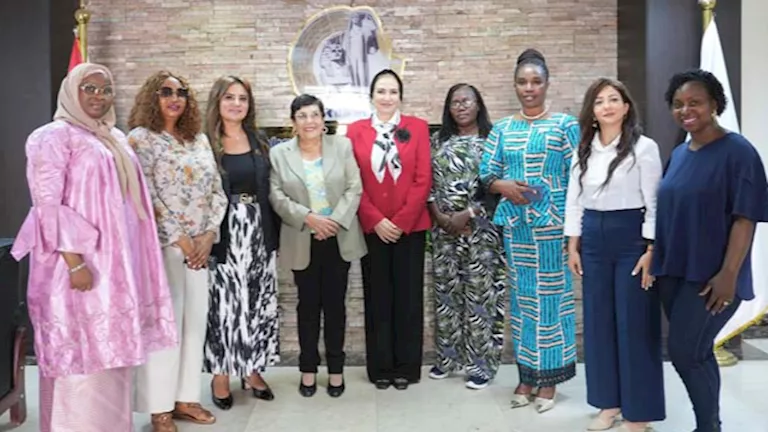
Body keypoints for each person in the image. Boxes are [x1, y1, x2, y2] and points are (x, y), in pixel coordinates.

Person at [10, 63, 177, 432]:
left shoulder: (112, 136)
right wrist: (74, 263)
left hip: (114, 269)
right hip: (75, 270)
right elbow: (48, 208)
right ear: (72, 90)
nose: (99, 96)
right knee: (80, 358)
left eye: (106, 89)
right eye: (89, 88)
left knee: (112, 356)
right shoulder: (52, 137)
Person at [653, 69, 768, 432]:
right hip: (674, 272)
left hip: (712, 277)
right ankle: (709, 425)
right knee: (698, 352)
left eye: (695, 102)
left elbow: (745, 218)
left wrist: (729, 274)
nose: (685, 110)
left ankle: (708, 427)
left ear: (715, 104)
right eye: (678, 104)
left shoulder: (739, 152)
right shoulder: (679, 154)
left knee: (685, 352)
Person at [479, 49, 579, 413]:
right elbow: (486, 173)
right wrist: (502, 186)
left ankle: (549, 379)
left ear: (547, 84)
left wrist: (575, 235)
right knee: (522, 302)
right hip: (517, 229)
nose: (529, 88)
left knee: (552, 300)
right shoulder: (503, 129)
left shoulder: (565, 125)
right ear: (515, 85)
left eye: (536, 81)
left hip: (553, 228)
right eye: (522, 82)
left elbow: (578, 178)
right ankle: (526, 375)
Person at [129, 71, 228, 432]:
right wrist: (181, 239)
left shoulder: (198, 139)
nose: (175, 98)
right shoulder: (140, 139)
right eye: (166, 92)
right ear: (151, 97)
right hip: (165, 248)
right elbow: (144, 195)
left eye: (181, 92)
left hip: (200, 250)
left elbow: (217, 191)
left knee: (195, 324)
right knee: (165, 328)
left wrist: (208, 235)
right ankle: (159, 408)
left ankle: (186, 398)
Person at [564, 78, 664, 432]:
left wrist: (652, 248)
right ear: (592, 112)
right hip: (592, 238)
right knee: (599, 323)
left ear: (626, 107)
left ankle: (639, 414)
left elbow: (655, 202)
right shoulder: (583, 149)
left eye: (613, 100)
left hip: (631, 239)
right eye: (599, 101)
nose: (606, 106)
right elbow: (574, 199)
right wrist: (573, 244)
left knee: (634, 324)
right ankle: (609, 403)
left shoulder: (644, 148)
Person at [269, 94, 367, 397]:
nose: (309, 121)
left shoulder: (342, 146)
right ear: (293, 122)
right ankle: (308, 369)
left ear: (323, 119)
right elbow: (276, 195)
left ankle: (336, 370)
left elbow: (354, 187)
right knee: (308, 308)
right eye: (302, 116)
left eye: (314, 115)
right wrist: (309, 218)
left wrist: (333, 222)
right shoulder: (279, 154)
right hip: (302, 238)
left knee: (336, 307)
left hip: (337, 238)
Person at [347, 69, 432, 390]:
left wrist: (401, 221)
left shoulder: (417, 127)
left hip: (411, 228)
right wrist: (375, 219)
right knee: (378, 298)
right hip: (373, 229)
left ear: (400, 96)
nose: (387, 97)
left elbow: (423, 179)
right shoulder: (355, 131)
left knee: (409, 299)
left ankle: (407, 368)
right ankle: (380, 367)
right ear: (371, 96)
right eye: (381, 91)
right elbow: (352, 180)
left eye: (393, 92)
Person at [203, 76, 280, 410]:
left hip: (259, 229)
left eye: (243, 98)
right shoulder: (205, 142)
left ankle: (252, 369)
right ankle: (220, 374)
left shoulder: (259, 140)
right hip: (223, 233)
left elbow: (271, 188)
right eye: (229, 97)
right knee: (225, 305)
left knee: (257, 301)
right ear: (217, 102)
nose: (236, 104)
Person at [427, 83, 505, 390]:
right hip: (444, 230)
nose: (460, 106)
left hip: (481, 232)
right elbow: (427, 183)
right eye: (454, 102)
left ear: (478, 105)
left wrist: (469, 213)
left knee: (480, 296)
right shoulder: (437, 140)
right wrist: (440, 216)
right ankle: (448, 359)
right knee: (447, 296)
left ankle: (480, 366)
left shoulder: (494, 139)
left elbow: (498, 185)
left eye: (466, 101)